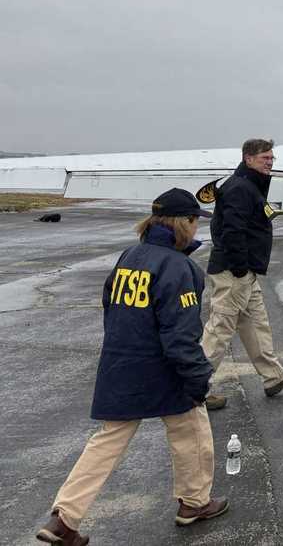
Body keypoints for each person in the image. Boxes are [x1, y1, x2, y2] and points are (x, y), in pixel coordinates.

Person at [36, 189, 228, 545]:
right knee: (192, 428)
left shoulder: (130, 256)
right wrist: (198, 378)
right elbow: (181, 336)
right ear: (182, 223)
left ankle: (63, 518)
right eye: (193, 220)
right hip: (163, 369)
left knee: (107, 441)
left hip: (121, 363)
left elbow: (110, 305)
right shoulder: (179, 267)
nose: (196, 226)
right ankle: (194, 502)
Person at [201, 138, 283, 410]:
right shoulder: (240, 188)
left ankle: (273, 377)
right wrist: (238, 266)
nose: (269, 162)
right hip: (234, 272)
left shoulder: (250, 185)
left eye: (271, 158)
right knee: (220, 328)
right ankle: (193, 389)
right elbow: (230, 230)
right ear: (248, 159)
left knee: (256, 324)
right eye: (264, 158)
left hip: (245, 272)